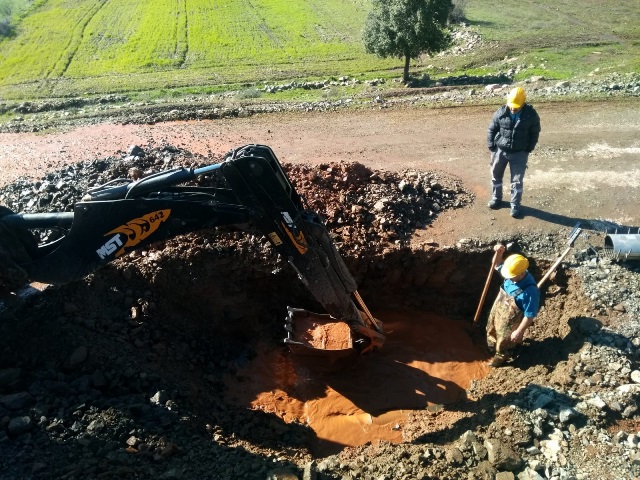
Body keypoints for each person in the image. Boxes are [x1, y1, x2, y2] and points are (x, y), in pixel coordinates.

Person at [486, 86, 541, 218]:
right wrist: (491, 146)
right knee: (495, 175)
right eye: (511, 105)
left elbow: (535, 133)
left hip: (519, 153)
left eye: (516, 106)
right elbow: (491, 129)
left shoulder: (531, 115)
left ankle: (515, 206)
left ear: (523, 103)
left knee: (516, 181)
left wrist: (529, 148)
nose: (513, 108)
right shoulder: (501, 112)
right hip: (500, 150)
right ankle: (496, 198)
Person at [486, 244, 540, 367]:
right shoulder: (512, 271)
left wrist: (520, 331)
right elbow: (496, 265)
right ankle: (489, 349)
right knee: (490, 328)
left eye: (511, 277)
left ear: (521, 274)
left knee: (503, 343)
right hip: (499, 308)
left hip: (510, 321)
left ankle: (497, 362)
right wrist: (499, 253)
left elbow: (530, 314)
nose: (508, 278)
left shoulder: (530, 291)